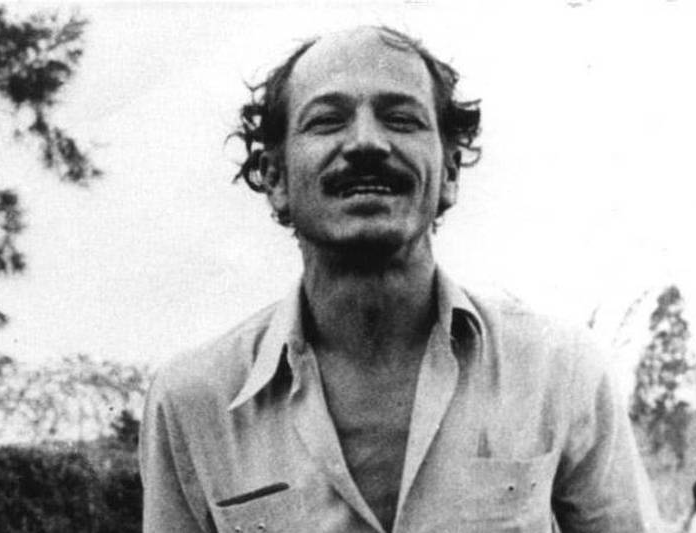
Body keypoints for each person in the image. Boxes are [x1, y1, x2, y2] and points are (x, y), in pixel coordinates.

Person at [139, 25, 660, 533]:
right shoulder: (193, 401)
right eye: (326, 121)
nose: (366, 142)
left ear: (450, 172)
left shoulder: (558, 370)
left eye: (401, 119)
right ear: (275, 177)